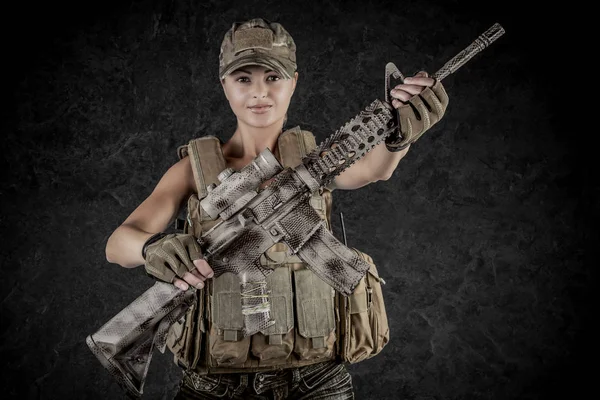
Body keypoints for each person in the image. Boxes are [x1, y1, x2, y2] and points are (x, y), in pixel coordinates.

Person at [105, 18, 448, 400]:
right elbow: (118, 244)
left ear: (294, 82)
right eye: (243, 79)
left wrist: (399, 132)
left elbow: (373, 169)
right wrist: (152, 248)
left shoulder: (314, 162)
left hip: (317, 381)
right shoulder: (193, 169)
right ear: (224, 85)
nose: (259, 92)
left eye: (272, 77)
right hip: (213, 385)